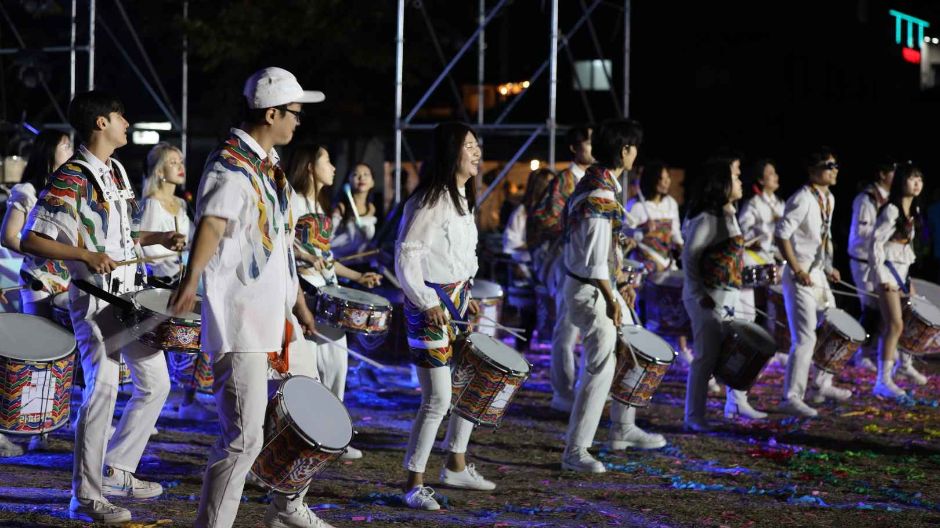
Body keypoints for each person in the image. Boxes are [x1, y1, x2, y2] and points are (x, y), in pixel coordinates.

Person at [168, 67, 332, 528]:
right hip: (241, 318)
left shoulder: (269, 166)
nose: (299, 122)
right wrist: (190, 279)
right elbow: (213, 223)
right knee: (242, 439)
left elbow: (277, 243)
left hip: (277, 315)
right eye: (295, 113)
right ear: (272, 112)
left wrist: (297, 304)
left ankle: (287, 506)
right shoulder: (231, 164)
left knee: (308, 413)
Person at [21, 91, 184, 524]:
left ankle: (116, 469)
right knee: (103, 390)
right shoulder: (71, 177)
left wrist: (158, 239)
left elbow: (124, 236)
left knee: (157, 384)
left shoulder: (114, 171)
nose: (126, 122)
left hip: (129, 297)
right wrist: (84, 256)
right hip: (94, 301)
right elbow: (30, 239)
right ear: (100, 124)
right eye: (120, 115)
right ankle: (86, 497)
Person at [396, 122, 494, 511]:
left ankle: (455, 462)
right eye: (469, 145)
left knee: (468, 384)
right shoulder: (431, 200)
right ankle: (413, 483)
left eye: (476, 145)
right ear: (451, 151)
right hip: (429, 309)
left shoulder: (462, 198)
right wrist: (426, 301)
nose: (476, 151)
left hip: (456, 304)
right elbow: (407, 257)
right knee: (436, 398)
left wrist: (465, 295)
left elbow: (456, 257)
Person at [560, 118, 665, 474]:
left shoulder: (601, 184)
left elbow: (603, 250)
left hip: (597, 286)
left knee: (633, 350)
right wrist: (611, 294)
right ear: (624, 150)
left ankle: (622, 427)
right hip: (590, 289)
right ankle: (576, 449)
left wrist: (619, 287)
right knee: (601, 367)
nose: (636, 154)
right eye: (634, 148)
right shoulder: (601, 192)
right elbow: (593, 257)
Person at [288, 144, 382, 460]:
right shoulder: (293, 199)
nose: (333, 167)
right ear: (311, 167)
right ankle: (307, 438)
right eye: (327, 160)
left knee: (337, 368)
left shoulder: (320, 202)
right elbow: (282, 244)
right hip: (305, 293)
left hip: (328, 291)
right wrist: (303, 255)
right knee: (310, 372)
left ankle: (333, 436)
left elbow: (326, 257)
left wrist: (357, 278)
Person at [0, 130, 73, 455]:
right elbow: (9, 236)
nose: (71, 149)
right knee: (41, 356)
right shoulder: (28, 190)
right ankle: (31, 427)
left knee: (65, 357)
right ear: (49, 151)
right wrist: (42, 252)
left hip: (67, 280)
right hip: (40, 281)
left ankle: (48, 425)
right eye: (66, 145)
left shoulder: (66, 189)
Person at [137, 142, 215, 421]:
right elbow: (142, 246)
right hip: (159, 282)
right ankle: (160, 400)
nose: (181, 167)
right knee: (162, 345)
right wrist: (171, 249)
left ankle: (188, 398)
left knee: (196, 337)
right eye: (173, 162)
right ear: (159, 171)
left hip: (181, 280)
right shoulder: (150, 204)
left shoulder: (182, 204)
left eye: (181, 161)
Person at [774, 147, 851, 418]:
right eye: (829, 165)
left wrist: (829, 267)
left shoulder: (828, 198)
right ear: (812, 170)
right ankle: (791, 397)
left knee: (832, 327)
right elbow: (781, 235)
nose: (834, 169)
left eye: (835, 165)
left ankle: (821, 384)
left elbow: (823, 236)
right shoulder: (802, 199)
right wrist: (796, 269)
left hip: (817, 273)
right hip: (800, 275)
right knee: (805, 337)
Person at [527, 125, 593, 413]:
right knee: (566, 328)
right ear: (574, 148)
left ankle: (580, 388)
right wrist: (576, 228)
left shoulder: (595, 179)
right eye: (588, 141)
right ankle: (563, 393)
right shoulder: (566, 180)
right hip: (565, 259)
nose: (593, 146)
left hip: (586, 260)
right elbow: (544, 217)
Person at [681, 160, 745, 431]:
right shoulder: (707, 218)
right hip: (708, 295)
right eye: (735, 176)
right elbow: (690, 256)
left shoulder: (728, 213)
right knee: (705, 356)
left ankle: (730, 404)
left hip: (726, 294)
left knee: (720, 355)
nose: (740, 180)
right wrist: (698, 294)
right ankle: (693, 417)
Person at [723, 158, 782, 419]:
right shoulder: (745, 208)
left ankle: (735, 399)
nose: (740, 179)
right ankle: (722, 402)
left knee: (748, 327)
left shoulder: (772, 203)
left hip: (752, 270)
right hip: (733, 277)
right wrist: (748, 242)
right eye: (735, 174)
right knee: (736, 333)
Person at [626, 161, 693, 365]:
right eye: (661, 179)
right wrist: (641, 232)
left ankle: (681, 348)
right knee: (643, 306)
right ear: (651, 181)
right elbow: (624, 235)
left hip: (666, 261)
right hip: (645, 263)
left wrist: (683, 250)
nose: (666, 183)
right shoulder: (636, 206)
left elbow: (675, 234)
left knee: (679, 298)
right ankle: (641, 348)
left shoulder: (671, 204)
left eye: (667, 178)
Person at [869, 162, 927, 396]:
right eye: (912, 178)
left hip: (901, 273)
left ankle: (900, 368)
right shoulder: (891, 210)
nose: (917, 183)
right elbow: (875, 244)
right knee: (895, 324)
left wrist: (908, 279)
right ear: (901, 182)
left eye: (920, 179)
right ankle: (882, 381)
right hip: (887, 273)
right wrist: (881, 276)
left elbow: (906, 249)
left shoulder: (914, 211)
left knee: (901, 323)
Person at [847, 158, 894, 373]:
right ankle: (861, 353)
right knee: (870, 308)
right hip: (863, 260)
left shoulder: (888, 199)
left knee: (880, 309)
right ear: (882, 174)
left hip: (879, 261)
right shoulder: (866, 199)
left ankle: (870, 350)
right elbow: (863, 233)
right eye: (893, 172)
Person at [502, 168, 555, 277]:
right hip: (527, 270)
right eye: (550, 183)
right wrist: (538, 244)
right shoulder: (522, 211)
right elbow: (511, 242)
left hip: (550, 270)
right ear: (540, 186)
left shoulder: (554, 210)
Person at [331, 162, 379, 260]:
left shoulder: (371, 208)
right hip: (339, 262)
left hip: (360, 262)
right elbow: (328, 238)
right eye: (355, 174)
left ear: (373, 182)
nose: (361, 178)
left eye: (366, 174)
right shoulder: (341, 207)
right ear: (348, 180)